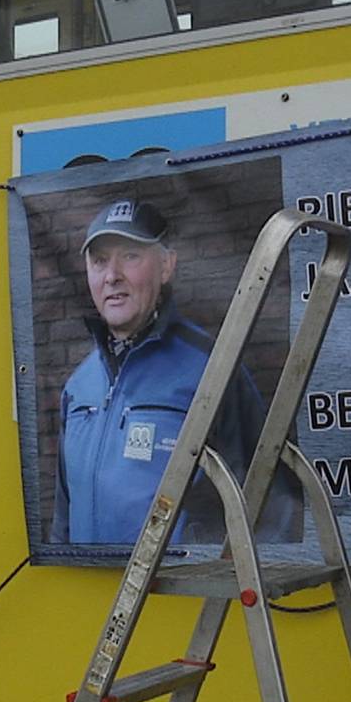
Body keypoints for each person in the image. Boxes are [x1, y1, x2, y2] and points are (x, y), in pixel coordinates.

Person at [50, 198, 293, 545]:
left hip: (180, 596)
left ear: (166, 266)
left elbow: (270, 504)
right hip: (92, 595)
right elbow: (63, 521)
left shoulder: (212, 368)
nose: (112, 276)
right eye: (100, 261)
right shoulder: (78, 386)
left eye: (130, 256)